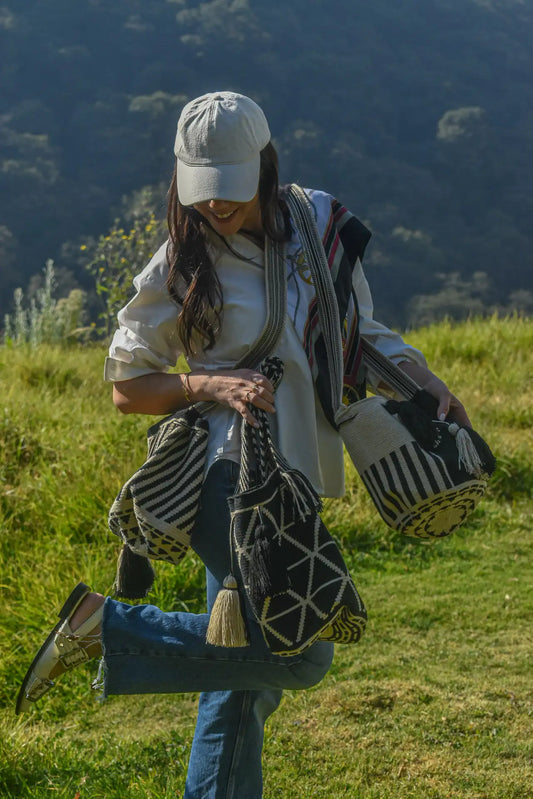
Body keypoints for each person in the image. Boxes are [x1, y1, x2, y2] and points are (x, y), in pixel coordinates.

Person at [16, 91, 470, 798]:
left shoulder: (317, 223)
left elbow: (360, 329)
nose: (215, 207)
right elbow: (127, 386)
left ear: (263, 164)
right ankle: (105, 626)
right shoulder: (180, 258)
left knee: (241, 683)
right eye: (202, 191)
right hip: (222, 475)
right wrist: (207, 383)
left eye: (228, 189)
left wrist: (424, 379)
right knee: (298, 654)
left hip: (290, 474)